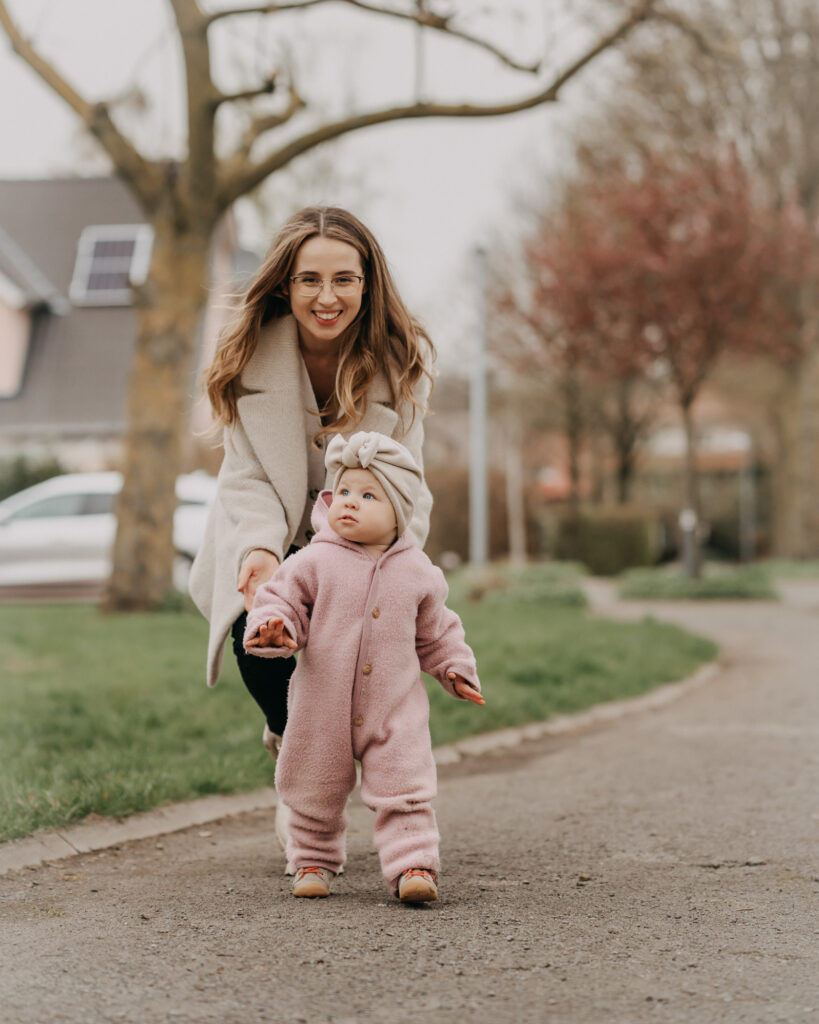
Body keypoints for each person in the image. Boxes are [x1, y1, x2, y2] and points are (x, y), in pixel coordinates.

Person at [189, 207, 435, 845]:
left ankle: (378, 800)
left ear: (367, 284)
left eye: (344, 280)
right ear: (285, 285)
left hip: (364, 532)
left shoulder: (400, 360)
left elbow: (405, 479)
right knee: (259, 634)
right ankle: (294, 751)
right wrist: (263, 554)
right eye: (309, 280)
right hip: (267, 525)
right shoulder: (246, 356)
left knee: (353, 661)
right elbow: (246, 476)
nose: (327, 298)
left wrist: (390, 566)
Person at [243, 432, 484, 902]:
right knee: (314, 787)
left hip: (393, 708)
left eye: (368, 495)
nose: (349, 503)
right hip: (321, 706)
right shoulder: (313, 560)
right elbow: (280, 600)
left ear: (400, 510)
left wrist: (454, 668)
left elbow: (437, 632)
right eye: (344, 492)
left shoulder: (420, 573)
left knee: (405, 787)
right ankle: (311, 861)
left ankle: (414, 866)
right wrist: (274, 626)